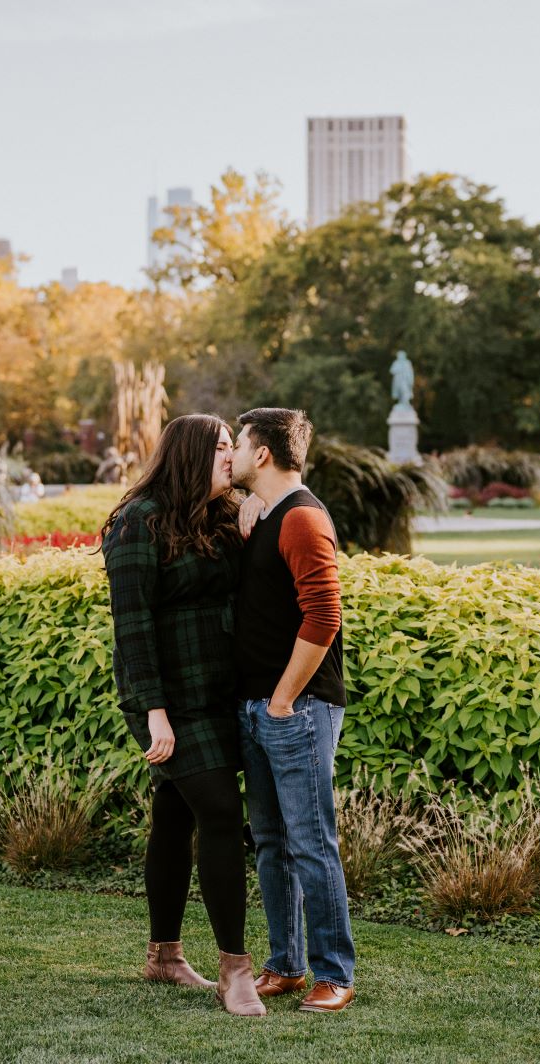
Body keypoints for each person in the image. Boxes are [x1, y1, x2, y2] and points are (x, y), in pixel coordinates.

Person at [100, 414, 266, 1017]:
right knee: (221, 811)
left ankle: (164, 956)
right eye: (223, 449)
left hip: (219, 693)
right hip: (165, 700)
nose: (234, 457)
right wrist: (155, 714)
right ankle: (235, 969)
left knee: (174, 815)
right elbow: (133, 629)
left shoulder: (224, 515)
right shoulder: (138, 522)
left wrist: (253, 507)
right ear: (193, 454)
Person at [228, 407, 357, 1013]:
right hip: (261, 707)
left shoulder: (303, 518)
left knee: (311, 842)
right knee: (273, 843)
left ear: (262, 454)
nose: (228, 454)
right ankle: (286, 965)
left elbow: (324, 616)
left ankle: (336, 973)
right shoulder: (268, 514)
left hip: (297, 709)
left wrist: (282, 700)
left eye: (238, 441)